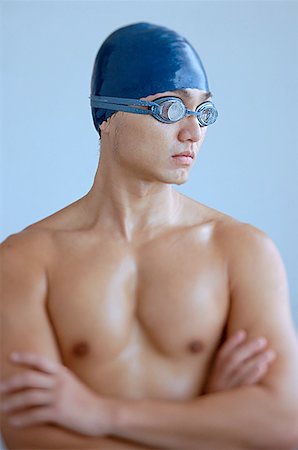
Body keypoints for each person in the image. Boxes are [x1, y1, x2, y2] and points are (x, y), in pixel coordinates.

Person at [0, 22, 297, 450]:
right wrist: (214, 418)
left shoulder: (241, 251)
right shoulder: (26, 260)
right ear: (106, 115)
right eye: (170, 109)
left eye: (204, 112)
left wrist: (97, 413)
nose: (193, 133)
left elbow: (283, 423)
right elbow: (28, 434)